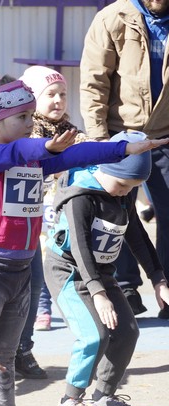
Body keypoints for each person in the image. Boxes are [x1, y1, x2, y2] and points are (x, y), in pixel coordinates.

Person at [0, 72, 164, 406]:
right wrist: (45, 145)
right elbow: (13, 154)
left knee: (8, 350)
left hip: (19, 270)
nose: (30, 123)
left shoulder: (36, 159)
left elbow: (78, 155)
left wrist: (126, 150)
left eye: (32, 116)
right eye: (22, 118)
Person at [45, 131, 169, 406]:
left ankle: (103, 396)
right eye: (123, 184)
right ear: (106, 169)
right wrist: (98, 294)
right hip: (69, 271)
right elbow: (80, 248)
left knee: (127, 331)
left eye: (134, 188)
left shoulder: (122, 196)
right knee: (94, 335)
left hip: (100, 273)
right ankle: (70, 401)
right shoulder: (80, 198)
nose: (126, 192)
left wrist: (158, 279)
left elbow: (138, 239)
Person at [80, 0, 169, 319]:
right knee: (117, 212)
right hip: (121, 135)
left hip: (166, 134)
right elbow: (93, 82)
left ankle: (166, 292)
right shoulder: (112, 17)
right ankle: (125, 288)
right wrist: (100, 143)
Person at [13, 65, 88, 379]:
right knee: (22, 285)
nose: (58, 100)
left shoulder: (74, 132)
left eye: (63, 94)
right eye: (50, 94)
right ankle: (11, 346)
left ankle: (23, 348)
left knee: (43, 276)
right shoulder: (25, 132)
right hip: (25, 220)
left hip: (63, 215)